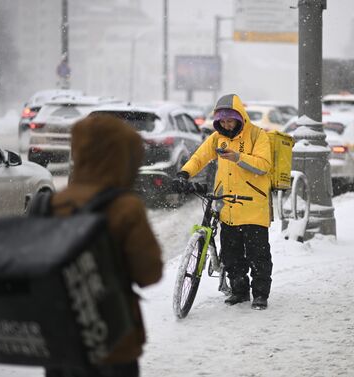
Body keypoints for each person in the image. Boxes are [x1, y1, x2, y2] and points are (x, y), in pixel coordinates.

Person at [46, 114, 163, 377]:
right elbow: (149, 273)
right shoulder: (124, 206)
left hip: (61, 337)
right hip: (113, 335)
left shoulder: (54, 203)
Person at [172, 93, 273, 310]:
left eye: (230, 120)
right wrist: (184, 173)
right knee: (231, 255)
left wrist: (238, 157)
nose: (227, 125)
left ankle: (260, 295)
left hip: (254, 205)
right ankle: (239, 291)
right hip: (228, 205)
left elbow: (264, 165)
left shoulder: (257, 136)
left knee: (258, 256)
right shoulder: (218, 138)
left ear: (240, 117)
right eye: (222, 121)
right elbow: (200, 157)